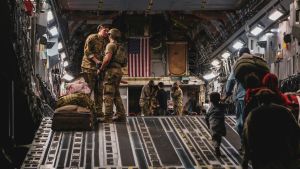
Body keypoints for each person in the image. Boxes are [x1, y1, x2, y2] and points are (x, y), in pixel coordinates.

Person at [243, 90, 300, 169]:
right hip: (282, 153)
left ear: (259, 100)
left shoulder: (253, 114)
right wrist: (296, 153)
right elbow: (296, 131)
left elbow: (247, 135)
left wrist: (246, 158)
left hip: (261, 155)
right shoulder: (285, 111)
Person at [81, 24, 109, 119]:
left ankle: (98, 111)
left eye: (108, 31)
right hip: (89, 68)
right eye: (105, 30)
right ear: (100, 29)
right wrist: (97, 61)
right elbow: (87, 51)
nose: (107, 33)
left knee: (99, 90)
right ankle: (85, 110)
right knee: (88, 89)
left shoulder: (105, 42)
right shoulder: (92, 38)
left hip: (99, 70)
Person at [224, 47, 249, 152]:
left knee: (240, 123)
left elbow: (230, 81)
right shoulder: (258, 63)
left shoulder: (239, 64)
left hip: (242, 97)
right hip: (259, 96)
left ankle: (244, 144)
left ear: (240, 55)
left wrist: (227, 93)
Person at [98, 28, 126, 122]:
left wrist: (101, 69)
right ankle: (121, 115)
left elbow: (107, 59)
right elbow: (124, 63)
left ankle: (108, 117)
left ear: (110, 35)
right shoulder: (121, 48)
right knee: (116, 94)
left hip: (111, 71)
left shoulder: (110, 45)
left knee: (108, 94)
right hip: (118, 71)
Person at [205, 92, 226, 157]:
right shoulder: (221, 106)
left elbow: (206, 117)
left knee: (215, 138)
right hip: (220, 124)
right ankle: (218, 150)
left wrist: (208, 125)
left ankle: (217, 149)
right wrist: (222, 100)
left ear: (211, 100)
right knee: (219, 138)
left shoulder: (210, 108)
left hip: (213, 124)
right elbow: (224, 104)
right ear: (219, 99)